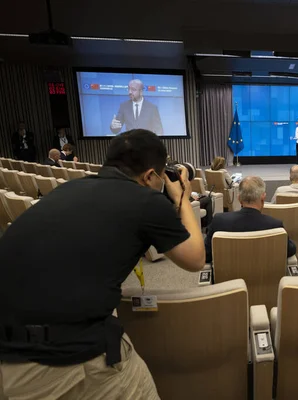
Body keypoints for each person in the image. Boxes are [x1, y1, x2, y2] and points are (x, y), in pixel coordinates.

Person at [0, 129, 205, 399]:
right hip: (61, 351)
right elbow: (195, 259)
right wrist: (182, 199)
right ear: (150, 176)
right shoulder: (146, 200)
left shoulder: (71, 187)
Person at [204, 176, 296, 263]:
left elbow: (206, 255)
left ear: (239, 199)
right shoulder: (275, 226)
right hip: (266, 278)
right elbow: (291, 250)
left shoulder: (219, 221)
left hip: (227, 280)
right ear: (263, 199)